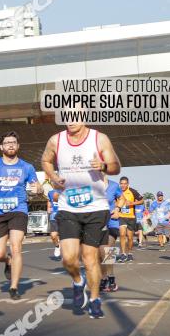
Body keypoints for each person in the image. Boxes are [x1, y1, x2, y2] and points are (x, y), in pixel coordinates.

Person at [42, 123, 121, 319]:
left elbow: (116, 167)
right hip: (69, 207)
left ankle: (95, 299)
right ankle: (78, 281)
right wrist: (52, 175)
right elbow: (45, 160)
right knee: (68, 258)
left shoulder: (99, 138)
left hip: (98, 210)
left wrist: (103, 166)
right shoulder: (56, 140)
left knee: (91, 257)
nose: (71, 120)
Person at [0, 131, 40, 300]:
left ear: (18, 146)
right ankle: (8, 262)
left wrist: (38, 189)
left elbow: (37, 187)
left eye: (14, 142)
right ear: (1, 147)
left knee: (16, 247)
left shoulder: (26, 167)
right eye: (7, 143)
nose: (11, 145)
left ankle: (14, 287)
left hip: (18, 210)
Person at [100, 178, 123, 293]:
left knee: (109, 250)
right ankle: (103, 278)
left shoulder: (113, 185)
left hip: (112, 220)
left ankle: (111, 278)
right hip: (97, 220)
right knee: (101, 252)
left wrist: (118, 209)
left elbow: (122, 198)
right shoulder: (90, 185)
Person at [115, 177, 143, 263]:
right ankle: (123, 254)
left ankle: (130, 253)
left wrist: (132, 203)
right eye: (121, 183)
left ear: (128, 184)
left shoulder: (132, 191)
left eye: (125, 183)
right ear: (119, 184)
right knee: (122, 235)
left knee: (130, 237)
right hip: (121, 216)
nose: (123, 185)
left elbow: (142, 200)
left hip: (131, 217)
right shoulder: (117, 191)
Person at [47, 186, 62, 259]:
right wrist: (48, 208)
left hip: (65, 216)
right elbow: (49, 201)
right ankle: (57, 246)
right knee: (53, 235)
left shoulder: (66, 190)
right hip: (54, 216)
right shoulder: (50, 192)